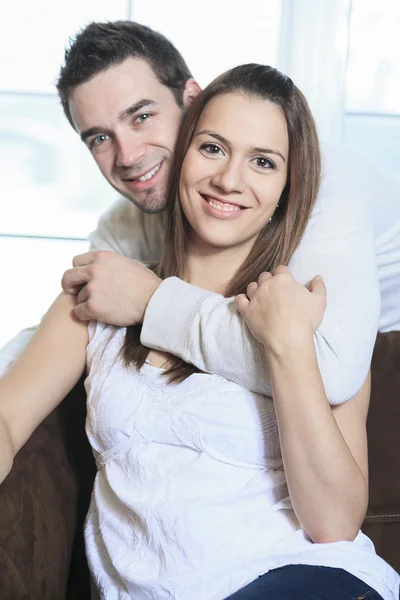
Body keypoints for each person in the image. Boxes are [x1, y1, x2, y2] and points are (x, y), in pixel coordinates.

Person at [1, 63, 398, 600]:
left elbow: (333, 525)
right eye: (212, 148)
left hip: (300, 578)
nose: (230, 180)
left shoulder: (305, 315)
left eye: (263, 162)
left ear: (288, 188)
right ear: (182, 153)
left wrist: (287, 346)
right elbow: (7, 415)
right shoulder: (102, 297)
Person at [1, 21, 399, 409]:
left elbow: (329, 374)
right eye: (101, 138)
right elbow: (70, 323)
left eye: (141, 116)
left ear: (193, 99)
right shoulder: (124, 225)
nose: (129, 156)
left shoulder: (322, 183)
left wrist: (149, 301)